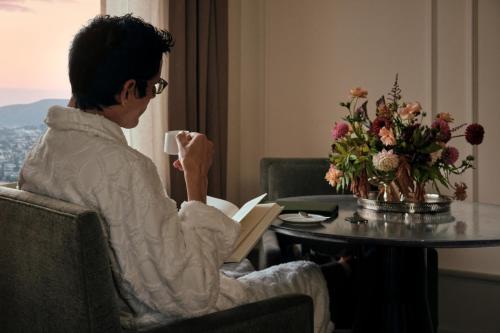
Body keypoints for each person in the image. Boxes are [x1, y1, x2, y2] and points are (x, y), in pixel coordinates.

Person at [19, 14, 346, 333]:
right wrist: (196, 178)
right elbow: (192, 295)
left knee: (243, 269)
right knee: (306, 276)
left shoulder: (42, 155)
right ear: (129, 89)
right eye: (154, 87)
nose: (151, 98)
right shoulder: (125, 169)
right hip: (166, 321)